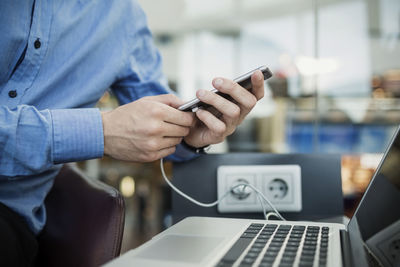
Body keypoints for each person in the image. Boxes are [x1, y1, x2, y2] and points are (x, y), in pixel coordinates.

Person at [0, 1, 265, 266]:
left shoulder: (121, 16)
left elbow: (157, 111)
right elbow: (112, 129)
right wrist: (101, 131)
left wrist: (187, 132)